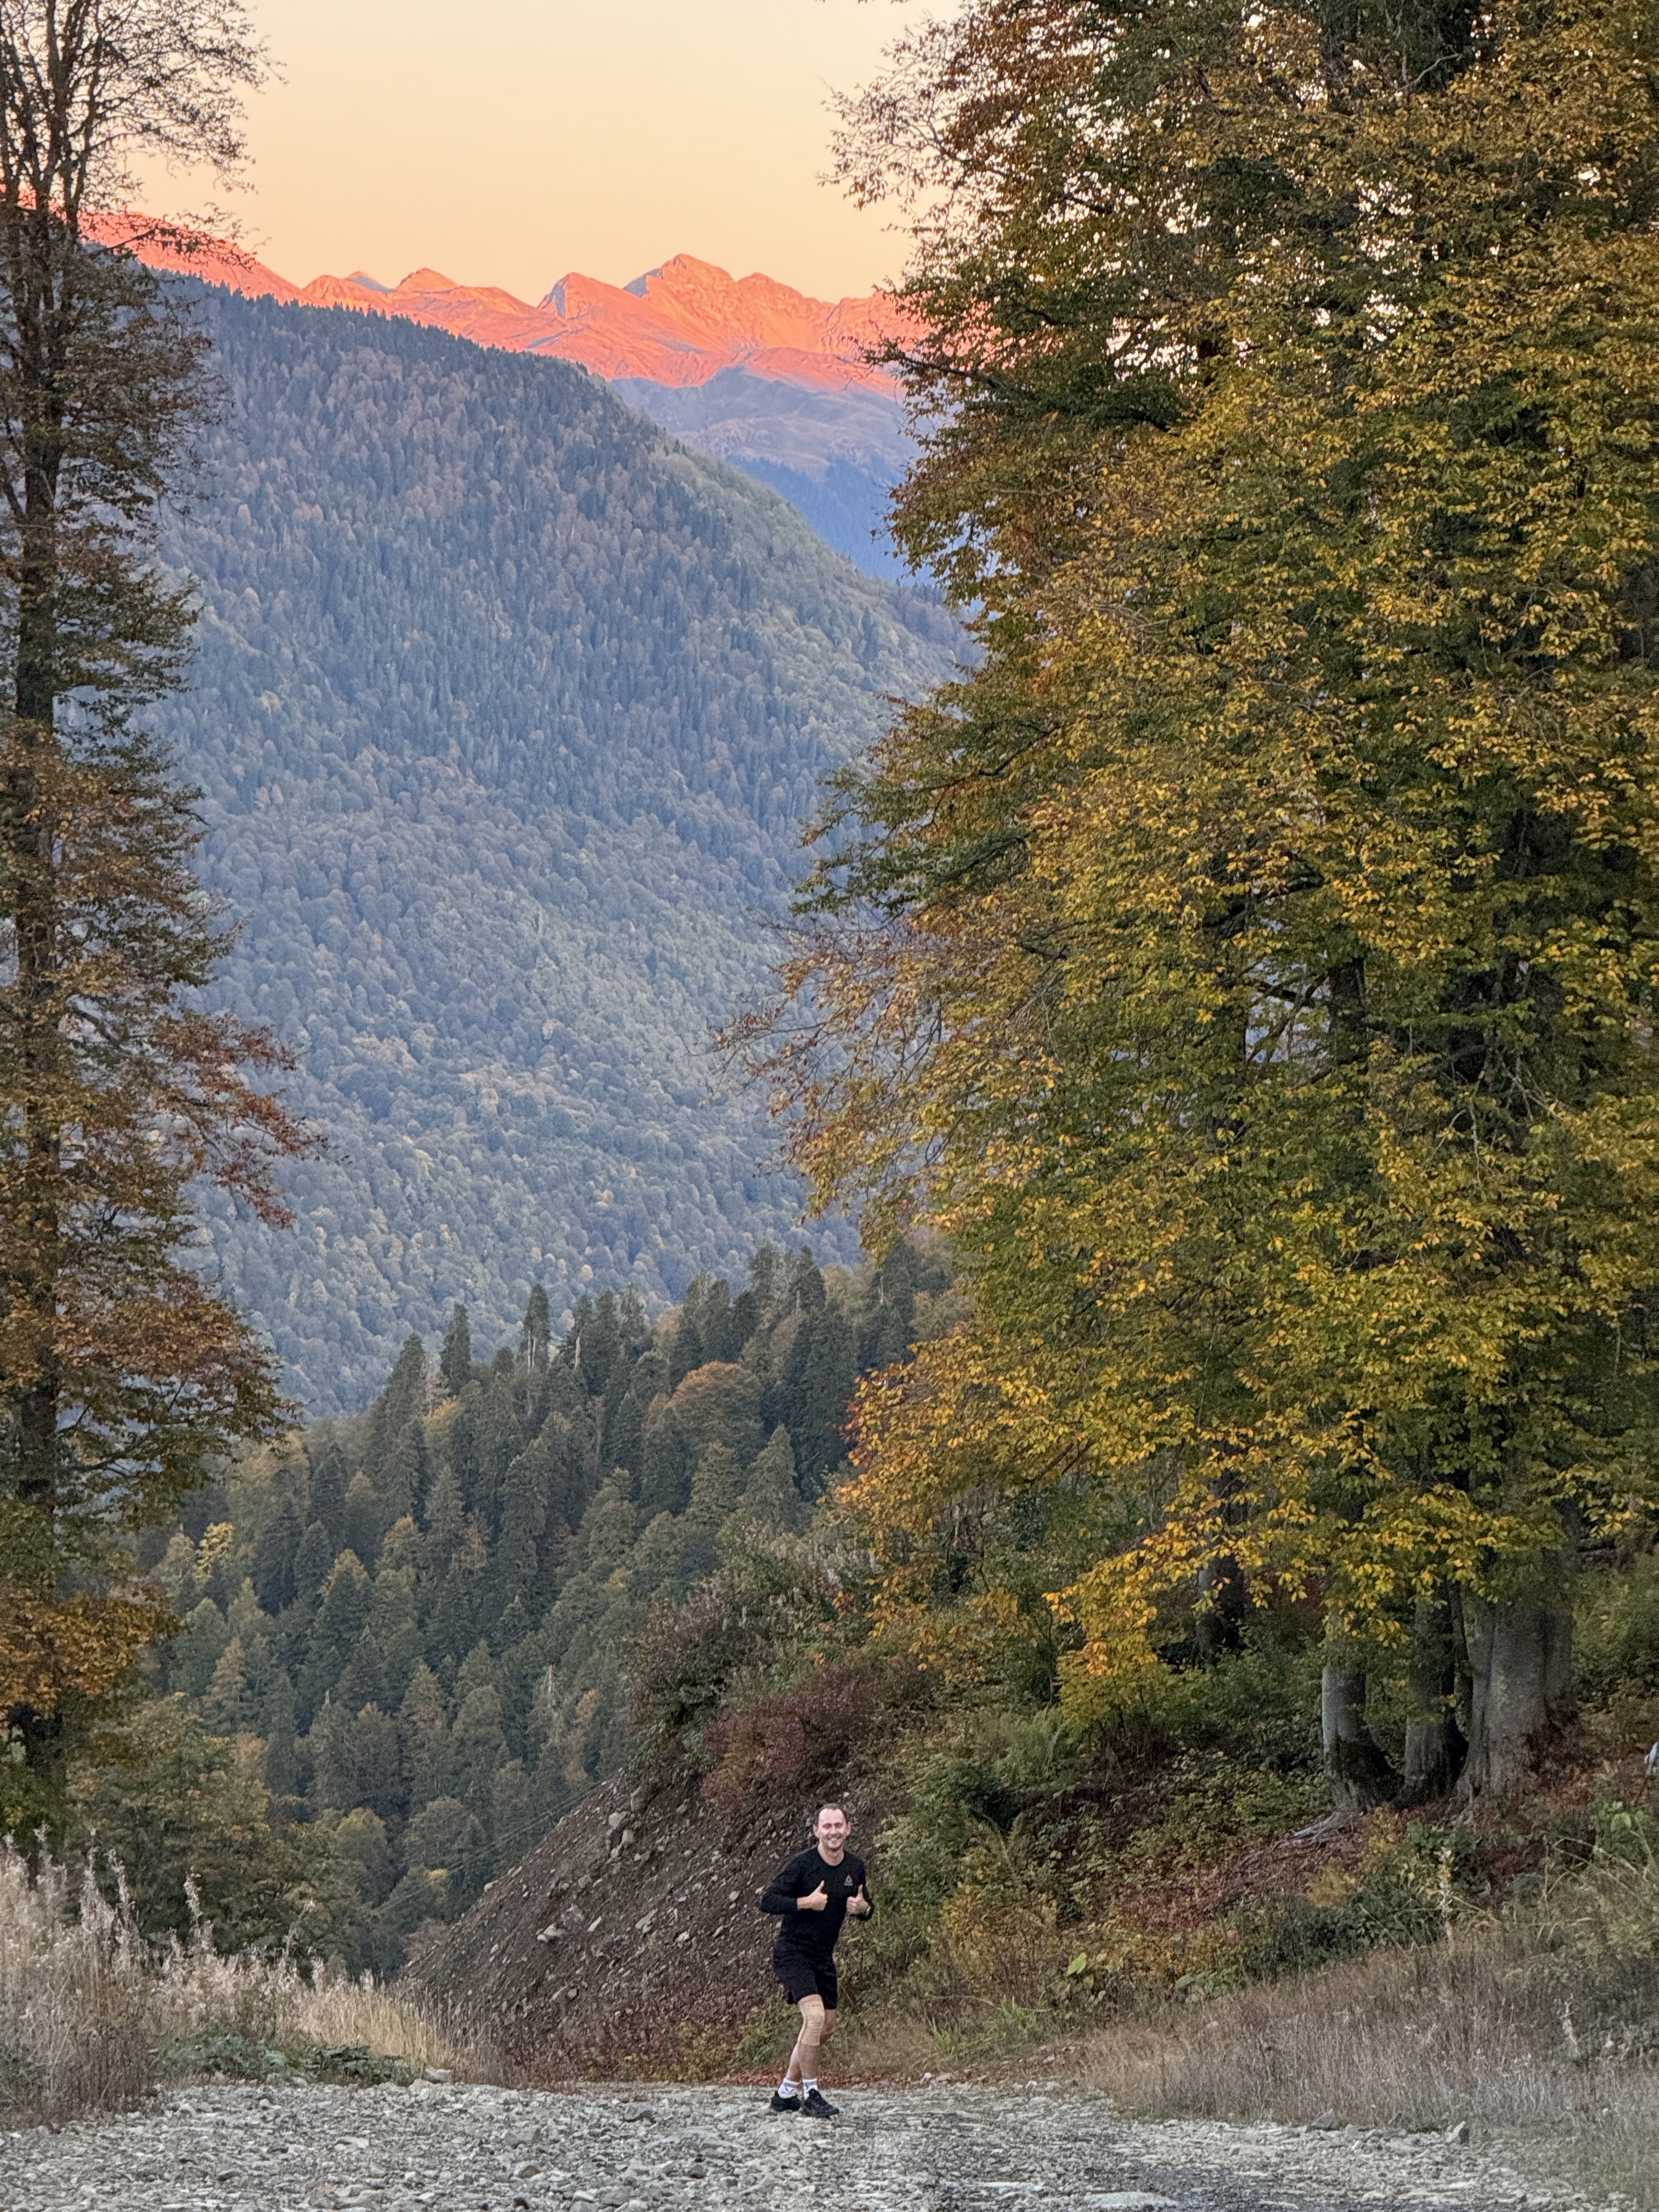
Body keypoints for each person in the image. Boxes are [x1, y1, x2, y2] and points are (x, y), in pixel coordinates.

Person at [758, 1801, 872, 2117]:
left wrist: (864, 1910)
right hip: (792, 1952)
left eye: (839, 1826)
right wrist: (804, 1902)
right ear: (816, 1831)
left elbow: (866, 1906)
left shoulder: (855, 1867)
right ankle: (812, 2093)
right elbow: (767, 1901)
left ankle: (784, 2094)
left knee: (826, 2027)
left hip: (824, 1955)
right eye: (827, 1826)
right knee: (814, 2018)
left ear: (848, 1829)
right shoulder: (802, 1865)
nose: (833, 1832)